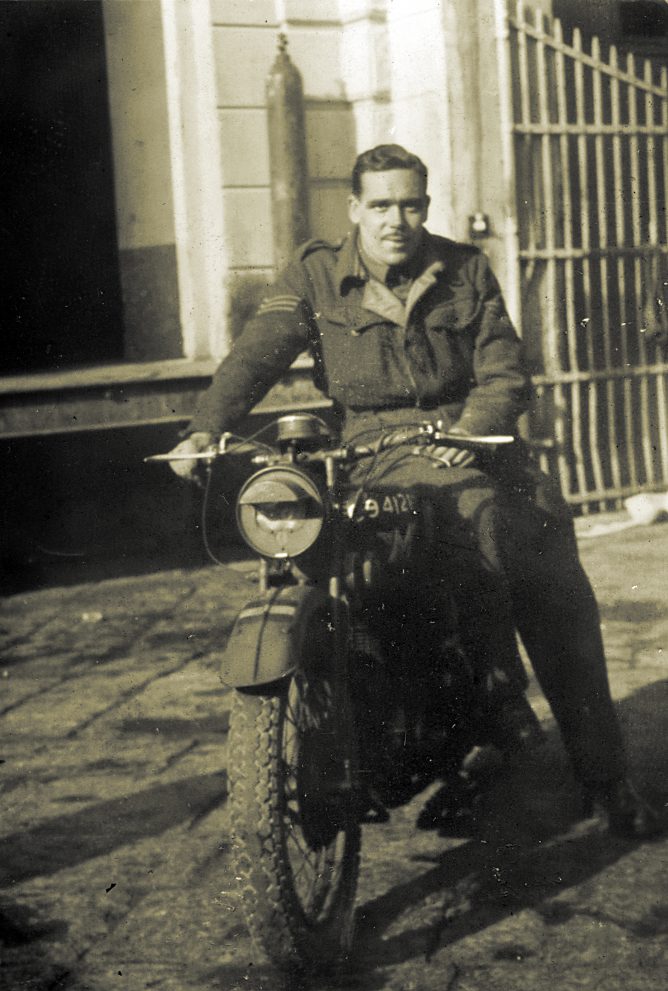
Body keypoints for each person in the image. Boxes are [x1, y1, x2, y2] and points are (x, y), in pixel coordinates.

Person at [169, 144, 661, 839]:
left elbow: (504, 374)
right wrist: (203, 431)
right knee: (365, 565)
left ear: (425, 207)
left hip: (477, 447)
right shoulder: (315, 274)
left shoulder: (466, 268)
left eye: (410, 204)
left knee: (548, 577)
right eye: (380, 205)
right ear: (354, 210)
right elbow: (257, 353)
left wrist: (469, 428)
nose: (395, 220)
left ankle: (602, 774)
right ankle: (453, 717)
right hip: (374, 453)